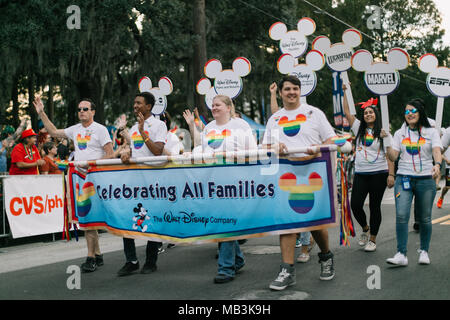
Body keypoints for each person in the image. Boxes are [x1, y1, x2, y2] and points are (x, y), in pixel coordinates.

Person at [262, 75, 336, 291]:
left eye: (295, 88)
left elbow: (331, 140)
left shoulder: (314, 114)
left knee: (314, 223)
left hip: (313, 172)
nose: (291, 92)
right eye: (287, 89)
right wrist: (274, 148)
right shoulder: (275, 119)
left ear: (300, 91)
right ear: (282, 92)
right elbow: (265, 145)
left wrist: (318, 147)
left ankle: (326, 255)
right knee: (287, 223)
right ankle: (287, 270)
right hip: (285, 173)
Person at [33, 96, 114, 272]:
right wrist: (42, 113)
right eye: (79, 109)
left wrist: (91, 163)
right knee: (87, 218)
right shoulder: (75, 129)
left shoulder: (100, 130)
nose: (81, 112)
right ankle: (97, 254)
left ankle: (91, 258)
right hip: (79, 177)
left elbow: (110, 154)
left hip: (95, 177)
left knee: (88, 218)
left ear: (93, 111)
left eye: (85, 109)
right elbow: (53, 132)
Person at [191, 94, 257, 283]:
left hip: (234, 181)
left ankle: (226, 268)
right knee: (221, 221)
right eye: (212, 105)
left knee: (225, 220)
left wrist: (235, 157)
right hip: (212, 182)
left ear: (229, 107)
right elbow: (201, 150)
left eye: (218, 104)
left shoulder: (240, 126)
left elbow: (252, 153)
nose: (214, 108)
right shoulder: (209, 128)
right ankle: (237, 259)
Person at [382, 98, 442, 266]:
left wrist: (437, 165)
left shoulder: (431, 132)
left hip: (425, 179)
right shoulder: (400, 133)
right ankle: (401, 254)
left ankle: (424, 251)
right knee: (401, 216)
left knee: (424, 218)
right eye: (407, 111)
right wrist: (387, 143)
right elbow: (393, 157)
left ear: (420, 112)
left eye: (413, 111)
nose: (409, 114)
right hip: (404, 178)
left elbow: (437, 150)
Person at [118, 92, 167, 276]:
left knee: (150, 221)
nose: (135, 106)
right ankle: (131, 261)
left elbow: (157, 151)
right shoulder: (132, 128)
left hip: (152, 183)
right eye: (134, 103)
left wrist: (142, 131)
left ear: (149, 106)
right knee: (125, 219)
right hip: (133, 182)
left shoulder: (159, 125)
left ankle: (150, 261)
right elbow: (135, 151)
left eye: (139, 103)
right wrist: (126, 153)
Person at [342, 83, 395, 252]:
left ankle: (372, 239)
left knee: (374, 207)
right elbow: (347, 113)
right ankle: (365, 229)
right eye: (365, 112)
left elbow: (390, 155)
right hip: (361, 174)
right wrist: (345, 92)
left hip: (379, 174)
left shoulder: (384, 132)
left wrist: (391, 175)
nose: (368, 114)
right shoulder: (358, 128)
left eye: (371, 112)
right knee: (355, 204)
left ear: (376, 114)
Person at [437, 127, 450, 208]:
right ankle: (441, 197)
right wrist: (446, 159)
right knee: (448, 186)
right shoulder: (447, 137)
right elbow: (439, 153)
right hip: (449, 166)